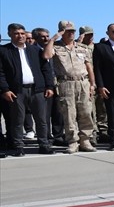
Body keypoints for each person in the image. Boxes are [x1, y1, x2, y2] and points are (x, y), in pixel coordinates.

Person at [1, 23, 55, 155]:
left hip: (37, 90)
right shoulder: (4, 51)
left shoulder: (34, 50)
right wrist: (5, 89)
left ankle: (44, 145)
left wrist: (49, 86)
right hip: (16, 91)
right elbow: (0, 72)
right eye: (16, 33)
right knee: (17, 120)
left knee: (41, 120)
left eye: (22, 33)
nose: (20, 36)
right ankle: (18, 147)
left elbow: (46, 69)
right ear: (10, 35)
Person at [45, 21, 97, 153]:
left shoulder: (82, 48)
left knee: (86, 111)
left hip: (83, 82)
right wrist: (53, 39)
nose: (71, 33)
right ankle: (73, 141)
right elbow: (46, 55)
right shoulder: (56, 47)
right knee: (69, 113)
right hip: (66, 83)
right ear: (61, 32)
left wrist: (92, 84)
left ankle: (85, 140)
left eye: (73, 31)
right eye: (68, 31)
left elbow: (89, 67)